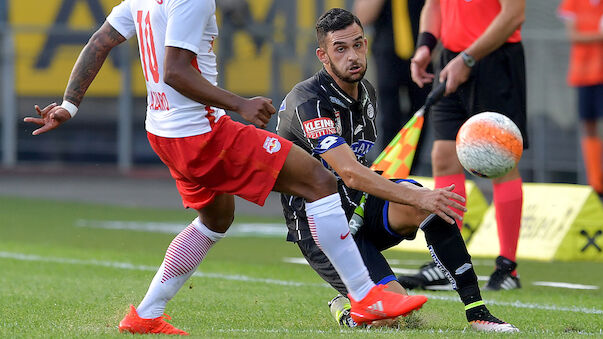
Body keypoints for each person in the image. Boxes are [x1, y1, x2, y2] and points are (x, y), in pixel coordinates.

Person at [22, 0, 466, 335]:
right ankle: (365, 297)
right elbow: (175, 71)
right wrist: (240, 103)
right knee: (319, 181)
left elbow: (100, 40)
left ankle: (147, 314)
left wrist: (69, 106)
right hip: (201, 132)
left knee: (217, 218)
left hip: (163, 132)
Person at [277, 8, 518, 332]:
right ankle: (347, 307)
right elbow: (348, 172)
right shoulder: (309, 101)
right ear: (323, 56)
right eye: (341, 48)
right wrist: (415, 197)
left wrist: (418, 198)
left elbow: (360, 173)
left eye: (358, 44)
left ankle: (478, 313)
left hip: (358, 207)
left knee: (434, 207)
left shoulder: (367, 94)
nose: (353, 56)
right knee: (396, 317)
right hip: (321, 227)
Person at [404, 0, 528, 291]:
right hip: (451, 59)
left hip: (495, 62)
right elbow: (433, 6)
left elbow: (514, 15)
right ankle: (450, 264)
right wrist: (425, 46)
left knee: (501, 161)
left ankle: (507, 268)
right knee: (443, 156)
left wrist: (468, 59)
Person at [352, 0, 431, 162]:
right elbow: (362, 17)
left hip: (423, 50)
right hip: (387, 51)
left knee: (422, 112)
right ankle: (387, 166)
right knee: (389, 114)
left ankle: (410, 166)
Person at [558, 0, 603, 196]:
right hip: (584, 73)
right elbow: (573, 35)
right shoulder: (573, 2)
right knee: (589, 124)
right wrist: (598, 36)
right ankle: (596, 182)